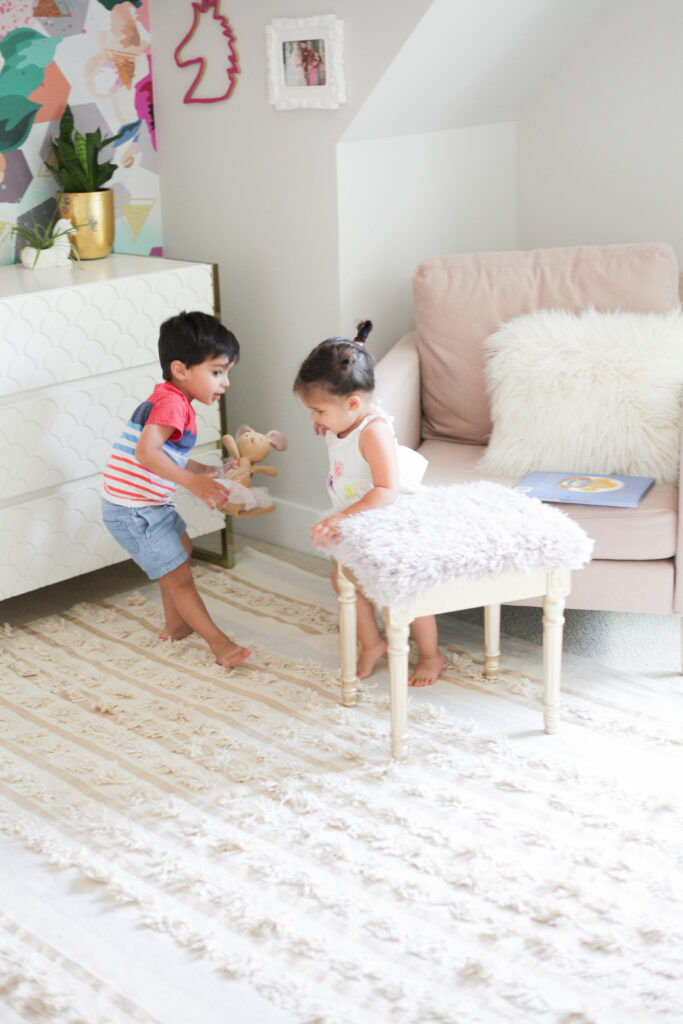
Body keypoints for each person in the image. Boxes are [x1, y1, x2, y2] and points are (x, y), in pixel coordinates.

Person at [293, 321, 446, 687]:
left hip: (386, 519)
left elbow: (386, 490)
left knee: (400, 592)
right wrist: (327, 425)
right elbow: (338, 433)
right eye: (313, 411)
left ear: (353, 403)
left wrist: (343, 516)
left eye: (318, 411)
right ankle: (373, 643)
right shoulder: (342, 421)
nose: (314, 419)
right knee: (344, 580)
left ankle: (430, 654)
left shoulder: (372, 431)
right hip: (353, 518)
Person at [101, 311, 250, 669]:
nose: (225, 382)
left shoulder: (174, 400)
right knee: (179, 577)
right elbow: (146, 453)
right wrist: (195, 483)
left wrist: (210, 471)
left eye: (227, 372)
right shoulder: (170, 402)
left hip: (147, 504)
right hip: (134, 510)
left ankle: (176, 624)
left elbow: (169, 457)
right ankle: (219, 644)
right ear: (181, 370)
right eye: (217, 372)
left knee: (180, 551)